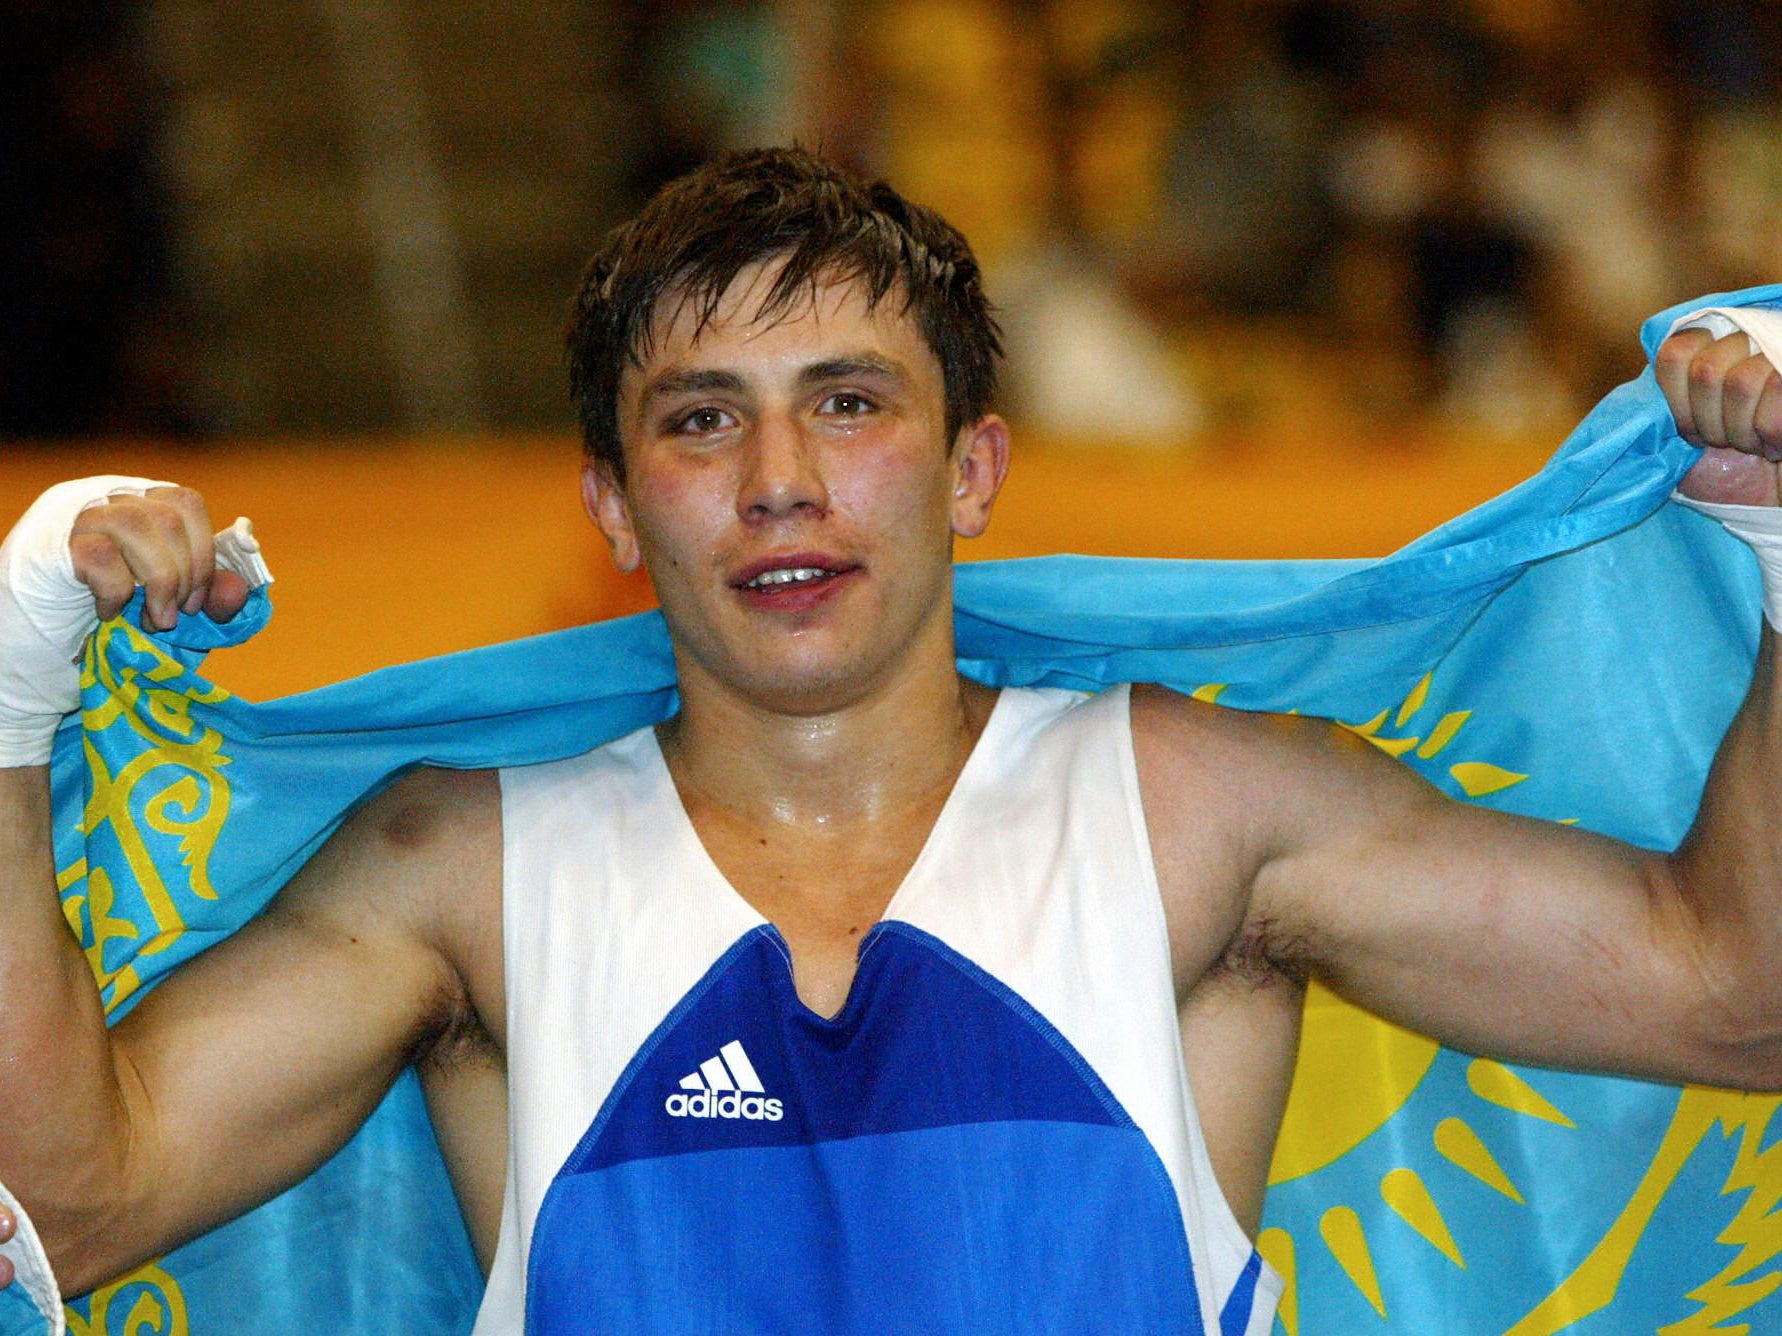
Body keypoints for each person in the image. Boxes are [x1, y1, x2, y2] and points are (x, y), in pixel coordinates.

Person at [1, 147, 1780, 1333]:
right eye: (704, 422)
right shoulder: (457, 864)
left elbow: (1733, 996)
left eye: (848, 404)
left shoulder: (1193, 812)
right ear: (616, 507)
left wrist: (1778, 551)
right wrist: (14, 690)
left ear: (971, 470)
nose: (780, 482)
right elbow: (66, 1212)